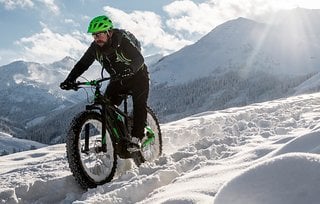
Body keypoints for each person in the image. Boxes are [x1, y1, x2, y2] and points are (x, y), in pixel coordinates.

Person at [60, 15, 149, 151]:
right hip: (118, 79)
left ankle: (137, 138)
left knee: (139, 103)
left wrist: (130, 69)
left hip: (138, 76)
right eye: (94, 35)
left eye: (100, 34)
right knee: (107, 105)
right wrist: (69, 80)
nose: (97, 38)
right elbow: (82, 64)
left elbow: (139, 58)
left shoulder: (122, 40)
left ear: (109, 32)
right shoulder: (94, 48)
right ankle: (121, 138)